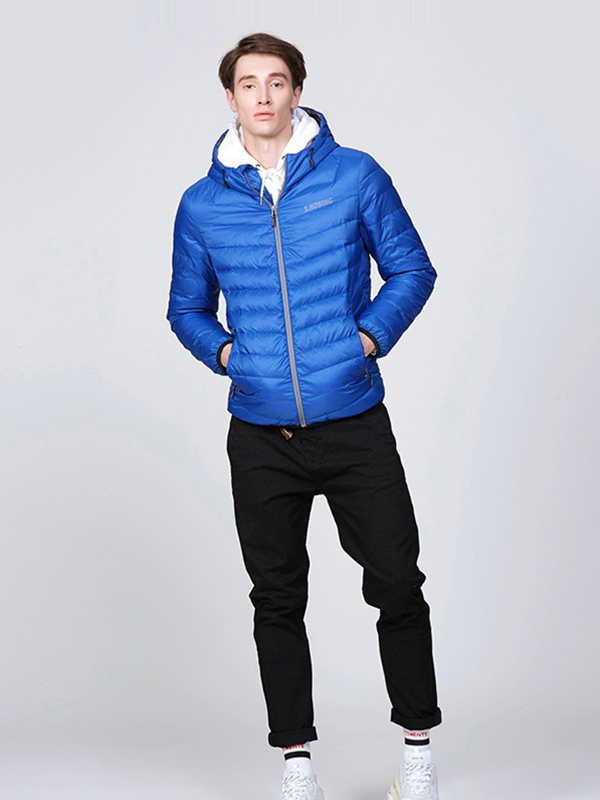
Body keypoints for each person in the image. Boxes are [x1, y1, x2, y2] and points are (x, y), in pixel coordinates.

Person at [167, 31, 442, 800]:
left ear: (298, 91)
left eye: (277, 81)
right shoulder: (202, 204)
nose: (263, 96)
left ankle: (417, 753)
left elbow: (411, 268)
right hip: (262, 435)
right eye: (248, 83)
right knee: (277, 598)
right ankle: (297, 765)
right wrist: (228, 356)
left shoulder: (355, 176)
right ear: (230, 97)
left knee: (397, 581)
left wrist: (366, 339)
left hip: (353, 421)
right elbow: (187, 308)